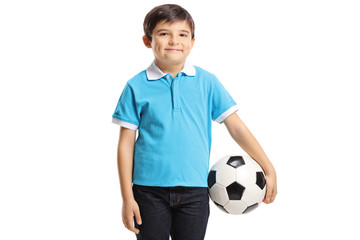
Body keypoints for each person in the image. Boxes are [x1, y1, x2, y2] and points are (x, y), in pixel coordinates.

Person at [112, 4, 277, 240]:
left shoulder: (207, 82)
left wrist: (269, 168)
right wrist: (127, 198)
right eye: (164, 33)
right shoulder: (135, 86)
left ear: (192, 42)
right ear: (147, 41)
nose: (174, 41)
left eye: (182, 34)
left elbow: (237, 128)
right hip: (148, 192)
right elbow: (125, 145)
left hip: (195, 192)